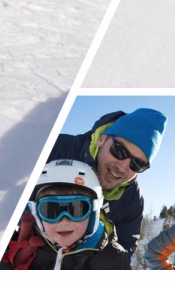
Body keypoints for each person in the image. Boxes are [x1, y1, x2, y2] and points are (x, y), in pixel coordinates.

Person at [47, 108, 167, 259]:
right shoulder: (55, 149)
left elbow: (125, 247)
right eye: (120, 151)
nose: (122, 167)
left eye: (137, 164)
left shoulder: (131, 200)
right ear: (102, 139)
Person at [0, 159, 130, 270]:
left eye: (76, 209)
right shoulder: (15, 245)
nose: (64, 221)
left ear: (93, 213)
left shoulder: (113, 259)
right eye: (51, 211)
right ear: (37, 213)